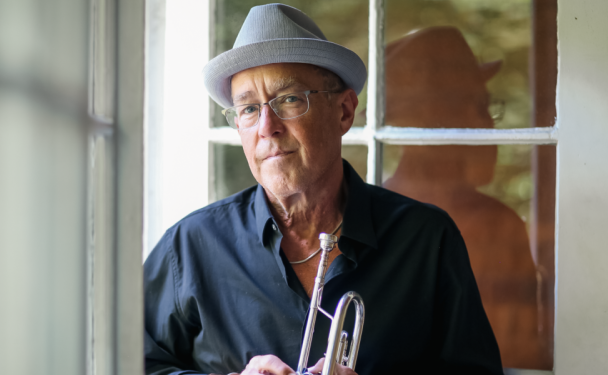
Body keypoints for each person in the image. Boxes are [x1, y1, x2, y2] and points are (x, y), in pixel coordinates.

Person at [144, 4, 503, 375]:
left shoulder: (426, 239)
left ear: (344, 111)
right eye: (249, 109)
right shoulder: (189, 246)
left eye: (289, 99)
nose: (267, 127)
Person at [381, 27, 546, 369]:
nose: (490, 125)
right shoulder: (497, 229)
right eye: (479, 106)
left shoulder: (365, 217)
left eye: (487, 107)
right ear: (434, 121)